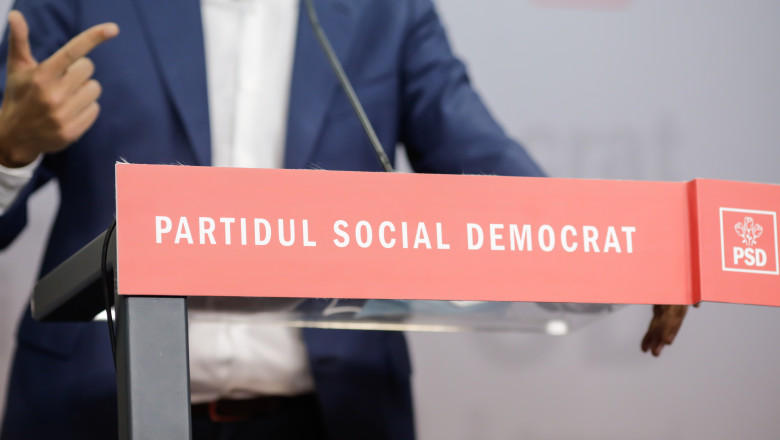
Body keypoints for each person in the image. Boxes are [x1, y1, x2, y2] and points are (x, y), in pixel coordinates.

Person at [0, 0, 689, 438]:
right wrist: (8, 146)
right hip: (99, 411)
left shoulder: (387, 11)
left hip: (332, 416)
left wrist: (634, 253)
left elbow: (486, 166)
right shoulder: (79, 2)